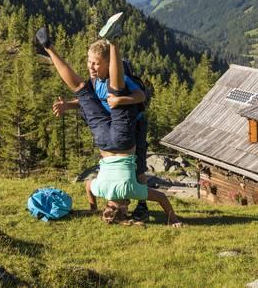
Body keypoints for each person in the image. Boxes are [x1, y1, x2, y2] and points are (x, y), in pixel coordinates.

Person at [35, 12, 182, 227]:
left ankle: (114, 42)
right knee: (80, 88)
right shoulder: (100, 188)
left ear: (124, 207)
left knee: (115, 88)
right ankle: (48, 48)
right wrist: (93, 206)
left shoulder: (130, 191)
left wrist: (174, 220)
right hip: (104, 140)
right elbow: (87, 186)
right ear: (109, 206)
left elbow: (162, 198)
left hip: (123, 139)